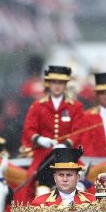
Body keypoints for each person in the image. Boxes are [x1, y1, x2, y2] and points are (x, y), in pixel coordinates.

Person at [21, 65, 85, 195]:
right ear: (48, 84)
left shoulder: (76, 107)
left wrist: (67, 144)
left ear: (65, 84)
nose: (57, 86)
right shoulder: (37, 106)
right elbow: (28, 129)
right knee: (30, 187)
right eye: (54, 82)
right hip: (43, 156)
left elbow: (79, 130)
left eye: (61, 83)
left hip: (68, 155)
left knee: (84, 185)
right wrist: (39, 139)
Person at [29, 146, 95, 206]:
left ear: (77, 178)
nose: (65, 179)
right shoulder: (40, 203)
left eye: (69, 175)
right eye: (61, 175)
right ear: (55, 177)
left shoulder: (92, 201)